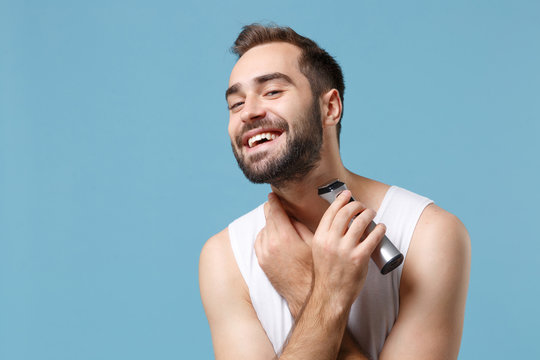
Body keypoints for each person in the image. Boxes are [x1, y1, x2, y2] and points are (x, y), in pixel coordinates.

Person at [199, 24, 470, 360]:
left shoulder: (429, 235)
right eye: (235, 103)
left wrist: (306, 290)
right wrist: (325, 296)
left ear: (330, 108)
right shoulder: (225, 257)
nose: (248, 112)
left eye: (271, 92)